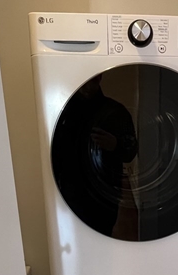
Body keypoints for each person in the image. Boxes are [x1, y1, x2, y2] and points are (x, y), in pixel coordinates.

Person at [52, 74, 137, 237]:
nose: (87, 87)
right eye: (83, 82)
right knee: (71, 237)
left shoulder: (116, 111)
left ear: (99, 78)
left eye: (91, 81)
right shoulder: (62, 112)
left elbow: (131, 153)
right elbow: (54, 151)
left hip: (104, 193)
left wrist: (115, 144)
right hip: (70, 188)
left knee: (101, 235)